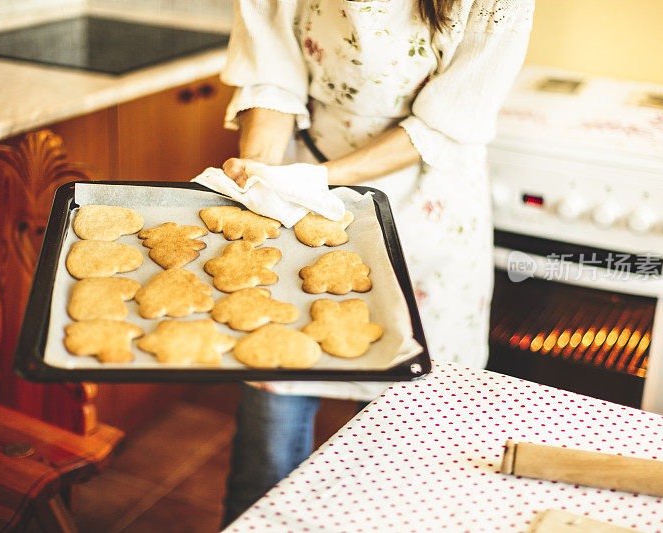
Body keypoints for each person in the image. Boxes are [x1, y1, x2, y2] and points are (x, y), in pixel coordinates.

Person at [217, 0, 534, 524]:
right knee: (268, 437)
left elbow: (447, 123)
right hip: (301, 192)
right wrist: (259, 170)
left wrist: (323, 179)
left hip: (427, 204)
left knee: (405, 453)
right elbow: (272, 73)